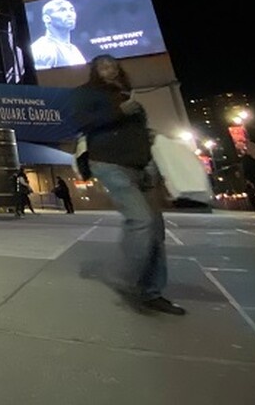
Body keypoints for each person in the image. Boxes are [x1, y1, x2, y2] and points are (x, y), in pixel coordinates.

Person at [70, 53, 185, 315]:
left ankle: (152, 291)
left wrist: (148, 139)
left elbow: (138, 130)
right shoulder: (86, 94)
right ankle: (129, 278)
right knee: (141, 219)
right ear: (95, 71)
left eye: (112, 65)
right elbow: (80, 123)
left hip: (141, 165)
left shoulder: (129, 96)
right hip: (108, 162)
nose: (108, 69)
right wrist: (117, 112)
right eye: (102, 66)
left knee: (155, 228)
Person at [30, 0, 86, 70]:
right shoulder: (43, 48)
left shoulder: (73, 48)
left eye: (71, 10)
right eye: (62, 10)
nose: (70, 14)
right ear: (47, 18)